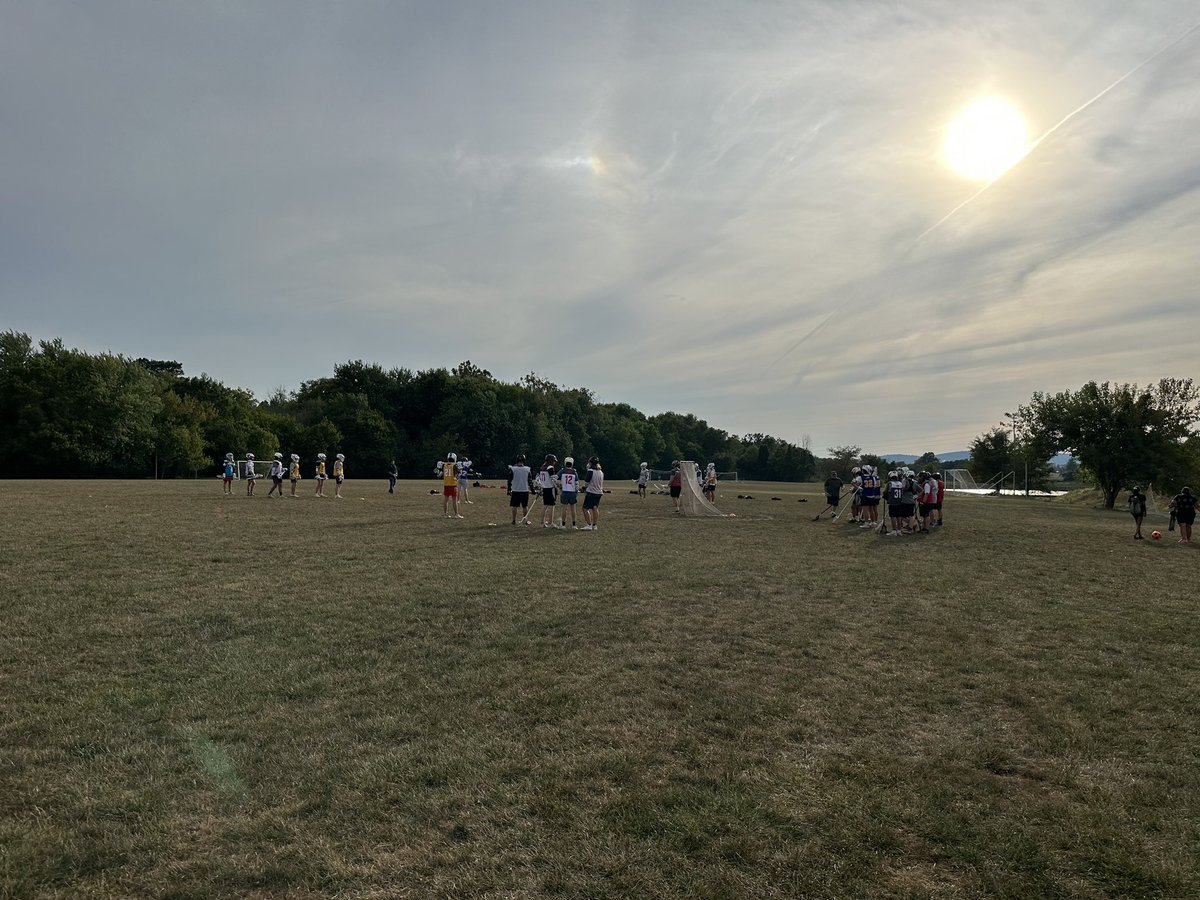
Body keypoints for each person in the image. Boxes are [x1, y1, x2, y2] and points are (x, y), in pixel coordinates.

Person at [508, 453, 532, 525]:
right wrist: (533, 490)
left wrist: (508, 489)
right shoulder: (527, 469)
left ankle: (514, 520)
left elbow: (509, 480)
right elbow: (530, 481)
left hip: (515, 489)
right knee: (525, 506)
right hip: (524, 490)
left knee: (514, 506)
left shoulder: (512, 469)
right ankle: (525, 520)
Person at [436, 452, 462, 518]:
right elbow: (457, 476)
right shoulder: (454, 466)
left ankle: (445, 514)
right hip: (453, 485)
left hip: (446, 484)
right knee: (454, 500)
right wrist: (459, 473)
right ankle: (456, 514)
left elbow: (439, 475)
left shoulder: (444, 465)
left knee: (446, 500)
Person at [581, 456, 604, 530]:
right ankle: (595, 525)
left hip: (591, 492)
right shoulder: (601, 472)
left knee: (585, 508)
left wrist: (584, 488)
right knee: (595, 507)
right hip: (599, 492)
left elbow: (587, 482)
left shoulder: (590, 471)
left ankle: (589, 524)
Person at [537, 454, 558, 527]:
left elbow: (539, 478)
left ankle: (542, 523)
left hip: (544, 488)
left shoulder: (542, 467)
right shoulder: (550, 467)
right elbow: (553, 479)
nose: (554, 463)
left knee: (545, 505)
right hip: (550, 488)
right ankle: (550, 523)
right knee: (552, 506)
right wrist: (557, 486)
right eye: (554, 461)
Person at [558, 457, 579, 529]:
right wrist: (576, 492)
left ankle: (563, 524)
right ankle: (574, 525)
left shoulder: (562, 471)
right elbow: (577, 484)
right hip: (572, 492)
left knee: (564, 508)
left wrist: (559, 486)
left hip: (565, 492)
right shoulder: (574, 472)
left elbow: (554, 478)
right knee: (573, 509)